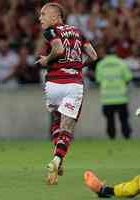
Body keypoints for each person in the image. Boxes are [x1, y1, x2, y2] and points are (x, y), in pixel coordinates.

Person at [36, 2, 97, 185]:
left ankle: (58, 160)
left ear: (55, 18)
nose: (40, 18)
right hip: (73, 85)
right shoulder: (78, 32)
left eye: (43, 15)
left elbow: (59, 49)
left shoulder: (51, 31)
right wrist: (79, 66)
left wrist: (47, 59)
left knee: (56, 122)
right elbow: (93, 56)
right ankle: (57, 159)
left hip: (54, 84)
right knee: (67, 129)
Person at [95, 52, 133, 139]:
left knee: (110, 120)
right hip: (121, 97)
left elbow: (98, 80)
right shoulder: (121, 63)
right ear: (115, 54)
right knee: (124, 119)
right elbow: (128, 77)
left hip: (107, 98)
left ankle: (112, 137)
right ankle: (126, 136)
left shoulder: (101, 64)